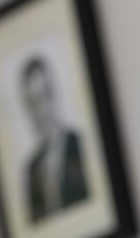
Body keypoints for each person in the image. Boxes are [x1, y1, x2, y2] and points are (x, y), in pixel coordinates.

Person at [19, 55, 88, 223]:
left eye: (43, 98)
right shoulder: (32, 169)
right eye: (33, 103)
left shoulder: (79, 145)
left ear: (53, 95)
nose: (40, 113)